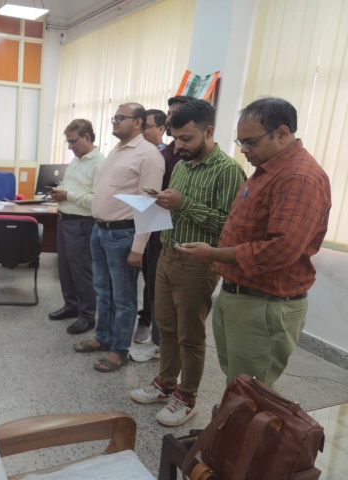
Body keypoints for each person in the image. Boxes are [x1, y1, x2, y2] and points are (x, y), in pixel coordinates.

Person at [177, 97, 331, 387]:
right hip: (241, 295)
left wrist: (215, 254)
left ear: (282, 133)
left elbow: (281, 249)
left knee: (251, 392)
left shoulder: (299, 177)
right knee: (238, 384)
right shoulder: (269, 169)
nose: (244, 150)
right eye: (241, 142)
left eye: (250, 142)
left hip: (264, 304)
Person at [130, 99, 246, 427]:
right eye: (175, 138)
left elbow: (229, 228)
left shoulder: (228, 170)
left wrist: (183, 204)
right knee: (165, 328)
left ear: (209, 132)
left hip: (198, 264)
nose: (178, 145)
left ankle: (187, 397)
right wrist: (161, 201)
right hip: (167, 254)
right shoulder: (181, 165)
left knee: (190, 336)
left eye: (186, 138)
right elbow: (177, 207)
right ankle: (166, 383)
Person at [73, 102, 164, 372]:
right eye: (114, 117)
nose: (114, 121)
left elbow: (149, 205)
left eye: (120, 117)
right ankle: (103, 337)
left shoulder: (148, 155)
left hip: (123, 233)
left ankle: (120, 349)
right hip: (100, 230)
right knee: (103, 291)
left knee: (123, 298)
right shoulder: (117, 150)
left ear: (137, 122)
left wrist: (139, 247)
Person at [130, 99, 192, 355]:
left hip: (179, 236)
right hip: (155, 232)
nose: (169, 119)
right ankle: (157, 340)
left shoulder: (189, 157)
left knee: (170, 298)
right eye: (169, 114)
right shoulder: (163, 154)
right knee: (154, 289)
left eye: (175, 114)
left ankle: (163, 346)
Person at [48, 120, 105, 334]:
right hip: (65, 220)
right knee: (65, 268)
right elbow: (72, 187)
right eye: (68, 142)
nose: (70, 146)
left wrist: (68, 195)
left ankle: (87, 316)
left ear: (87, 137)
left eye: (73, 141)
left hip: (82, 223)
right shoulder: (76, 159)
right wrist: (59, 191)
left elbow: (97, 201)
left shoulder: (99, 163)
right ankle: (71, 306)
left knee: (82, 271)